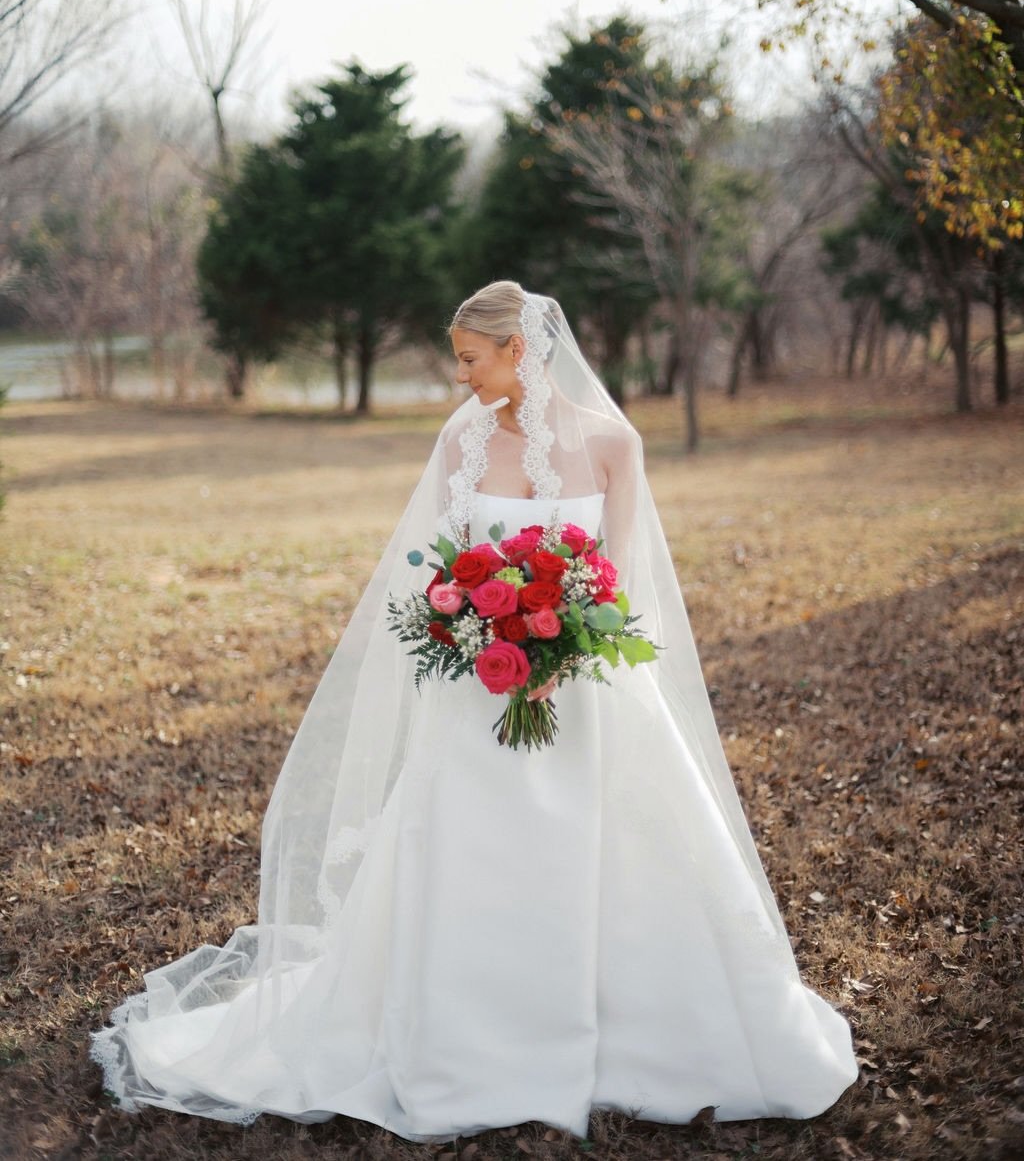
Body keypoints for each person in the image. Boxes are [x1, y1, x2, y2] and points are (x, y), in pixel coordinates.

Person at [90, 281, 859, 1142]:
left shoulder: (614, 444)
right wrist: (473, 631)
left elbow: (627, 583)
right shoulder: (461, 441)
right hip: (477, 690)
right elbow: (438, 577)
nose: (459, 377)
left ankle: (639, 1029)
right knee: (466, 847)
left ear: (518, 350)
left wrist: (567, 653)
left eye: (469, 358)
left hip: (594, 700)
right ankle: (468, 1039)